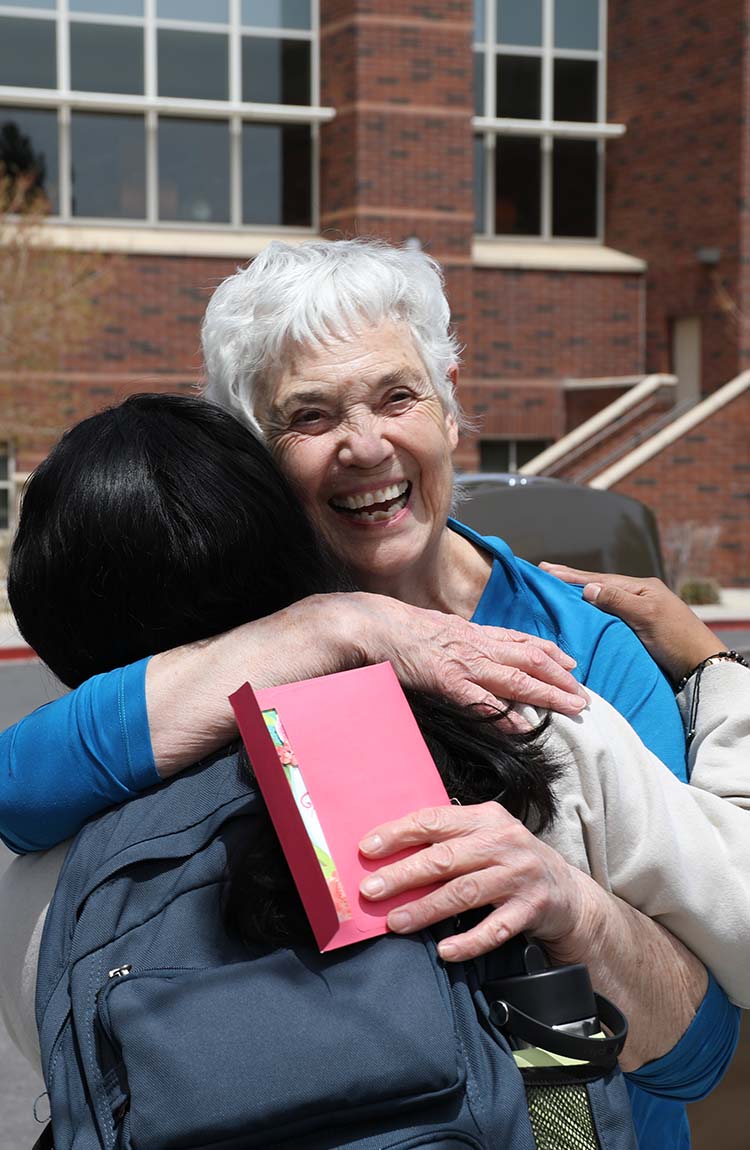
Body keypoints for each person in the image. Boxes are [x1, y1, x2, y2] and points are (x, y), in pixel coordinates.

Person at [2, 396, 749, 1094]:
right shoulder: (515, 732)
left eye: (397, 397)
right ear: (289, 539)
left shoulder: (42, 892)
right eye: (310, 417)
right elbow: (693, 1052)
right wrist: (576, 914)